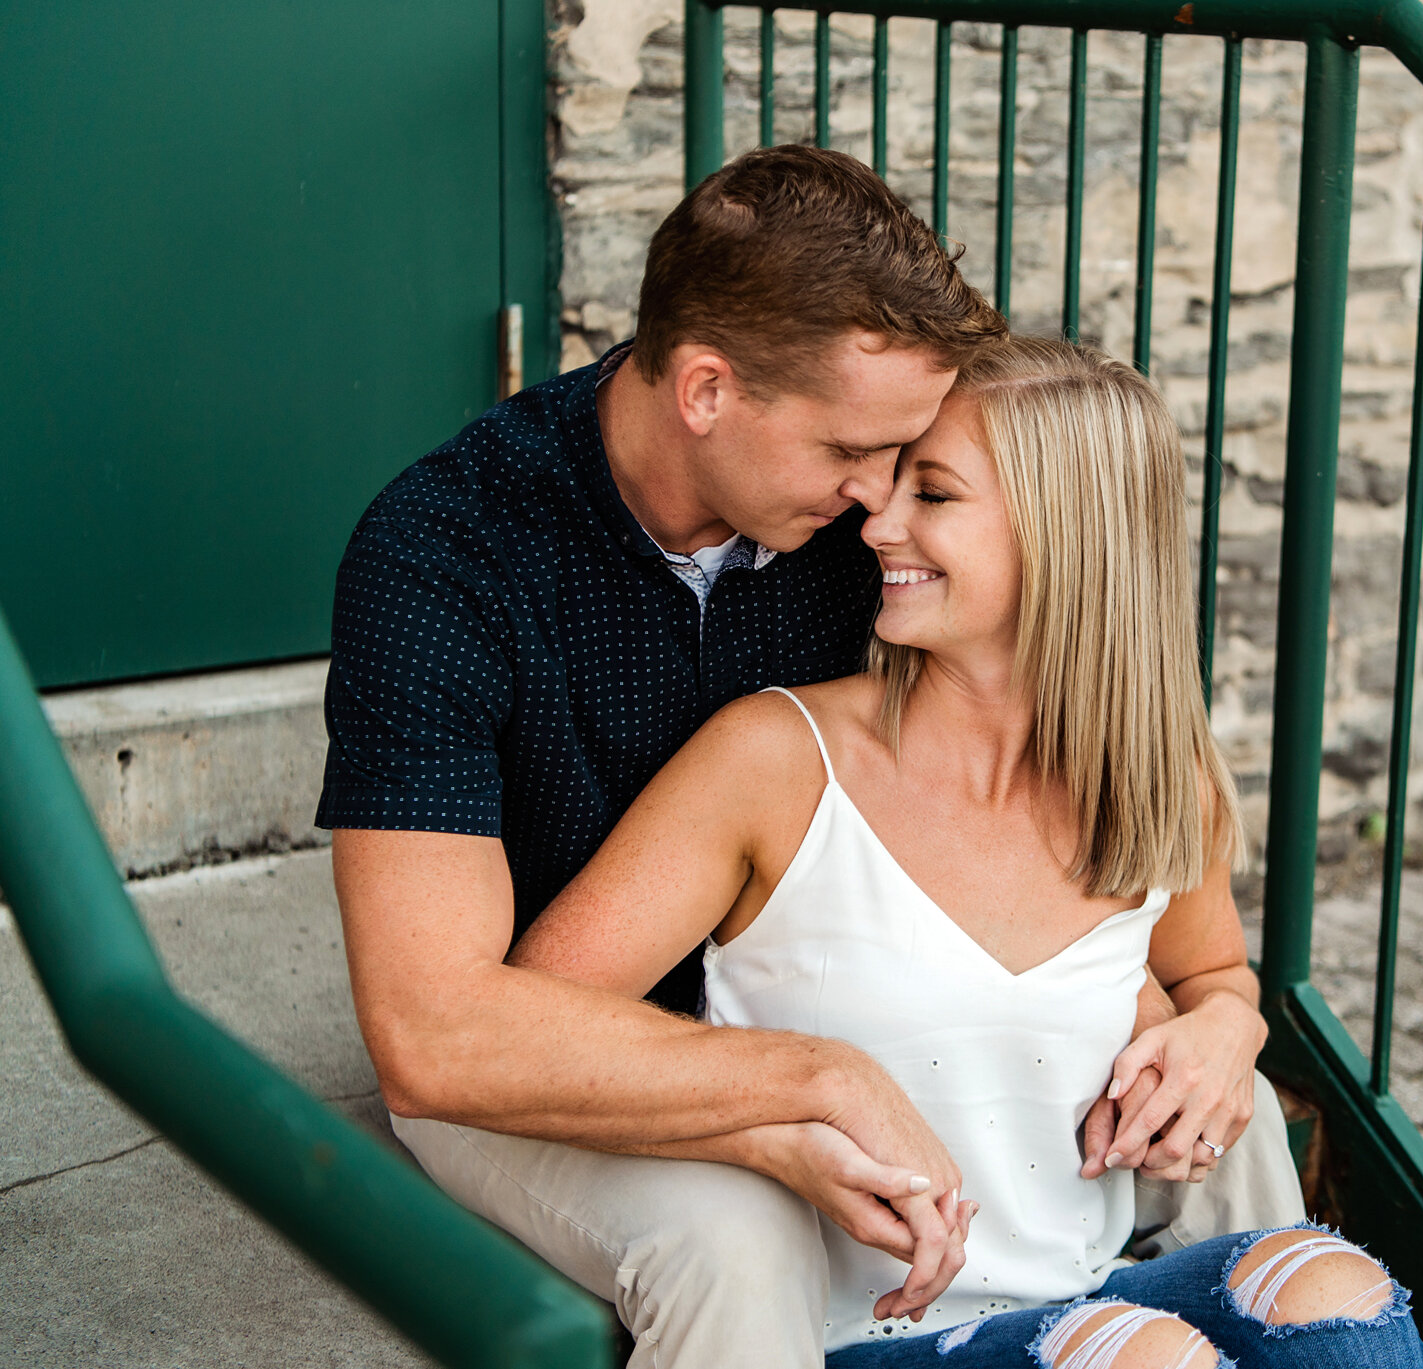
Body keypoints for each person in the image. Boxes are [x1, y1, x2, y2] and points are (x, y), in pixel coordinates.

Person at [318, 146, 1302, 1368]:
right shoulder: (443, 559)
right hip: (535, 1054)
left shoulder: (856, 529)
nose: (879, 496)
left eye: (908, 462)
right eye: (854, 452)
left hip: (813, 996)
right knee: (737, 1235)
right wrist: (796, 1088)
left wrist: (1208, 1019)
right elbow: (437, 1034)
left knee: (1232, 1118)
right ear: (707, 392)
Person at [510, 339, 1423, 1368]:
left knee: (1336, 1292)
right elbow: (534, 1024)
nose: (878, 523)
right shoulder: (777, 759)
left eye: (932, 495)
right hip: (870, 1331)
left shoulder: (1154, 775)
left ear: (1063, 539)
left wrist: (1226, 1023)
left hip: (1094, 1295)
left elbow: (1209, 970)